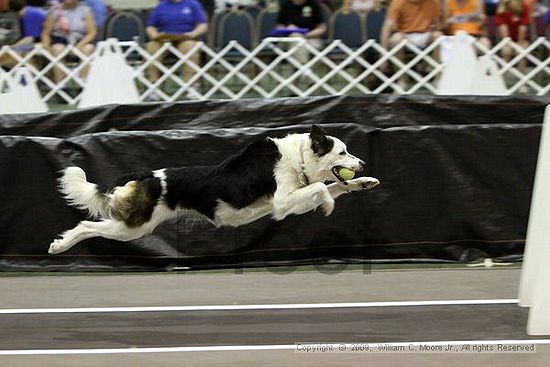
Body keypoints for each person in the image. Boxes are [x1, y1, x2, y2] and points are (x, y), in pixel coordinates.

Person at [146, 0, 208, 98]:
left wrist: (193, 34)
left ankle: (191, 85)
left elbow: (203, 24)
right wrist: (155, 36)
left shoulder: (193, 4)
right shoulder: (161, 5)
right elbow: (150, 26)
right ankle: (153, 84)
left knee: (189, 47)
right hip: (164, 40)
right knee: (151, 46)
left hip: (186, 38)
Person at [380, 0, 442, 89]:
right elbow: (387, 27)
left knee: (438, 36)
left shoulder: (433, 2)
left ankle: (437, 79)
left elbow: (438, 24)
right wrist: (383, 56)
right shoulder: (398, 2)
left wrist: (434, 28)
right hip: (405, 35)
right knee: (396, 39)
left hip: (425, 34)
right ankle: (402, 80)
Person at [41, 0, 97, 83]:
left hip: (80, 40)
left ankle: (84, 85)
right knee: (58, 49)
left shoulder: (85, 10)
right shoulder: (54, 11)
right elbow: (46, 33)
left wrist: (80, 44)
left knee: (88, 49)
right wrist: (46, 46)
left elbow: (92, 32)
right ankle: (60, 86)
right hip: (60, 40)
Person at [276, 0, 326, 68]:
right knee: (295, 37)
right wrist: (288, 29)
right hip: (288, 39)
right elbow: (279, 27)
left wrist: (305, 35)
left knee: (299, 40)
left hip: (310, 38)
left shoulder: (313, 5)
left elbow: (321, 28)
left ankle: (299, 69)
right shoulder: (285, 5)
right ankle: (303, 68)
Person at [0, 0, 46, 68]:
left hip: (40, 45)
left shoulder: (30, 14)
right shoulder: (28, 12)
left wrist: (10, 48)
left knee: (21, 52)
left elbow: (30, 39)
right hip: (30, 45)